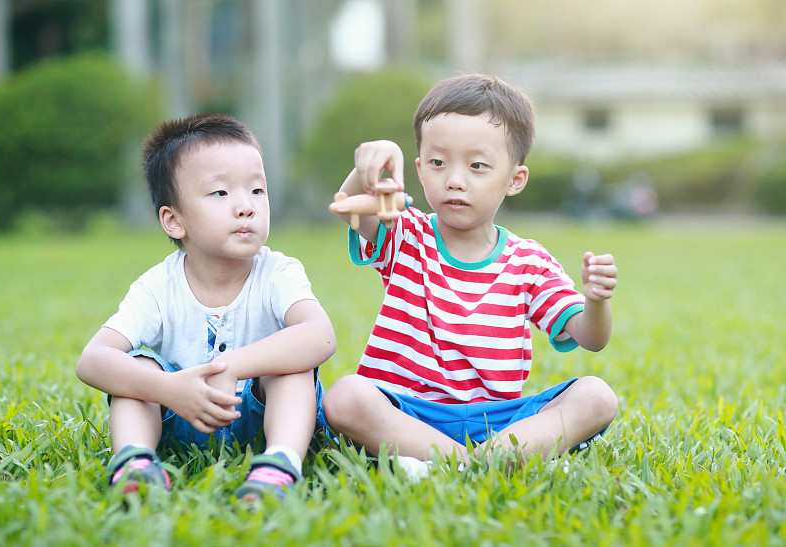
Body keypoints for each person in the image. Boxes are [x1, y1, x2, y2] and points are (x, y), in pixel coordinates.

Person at [323, 74, 618, 476]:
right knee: (344, 397)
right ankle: (476, 465)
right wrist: (370, 166)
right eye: (438, 163)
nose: (455, 180)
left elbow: (592, 338)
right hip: (404, 413)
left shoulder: (528, 261)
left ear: (514, 180)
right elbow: (353, 209)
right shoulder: (405, 233)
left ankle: (458, 462)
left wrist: (597, 301)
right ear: (420, 170)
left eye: (477, 166)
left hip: (498, 421)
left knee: (597, 396)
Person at [77, 113, 336, 501]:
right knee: (138, 366)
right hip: (178, 413)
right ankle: (135, 463)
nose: (245, 207)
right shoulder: (157, 287)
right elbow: (93, 360)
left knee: (292, 366)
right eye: (220, 193)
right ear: (174, 220)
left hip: (262, 416)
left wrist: (234, 367)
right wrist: (166, 387)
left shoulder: (278, 273)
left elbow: (320, 337)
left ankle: (279, 465)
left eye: (257, 191)